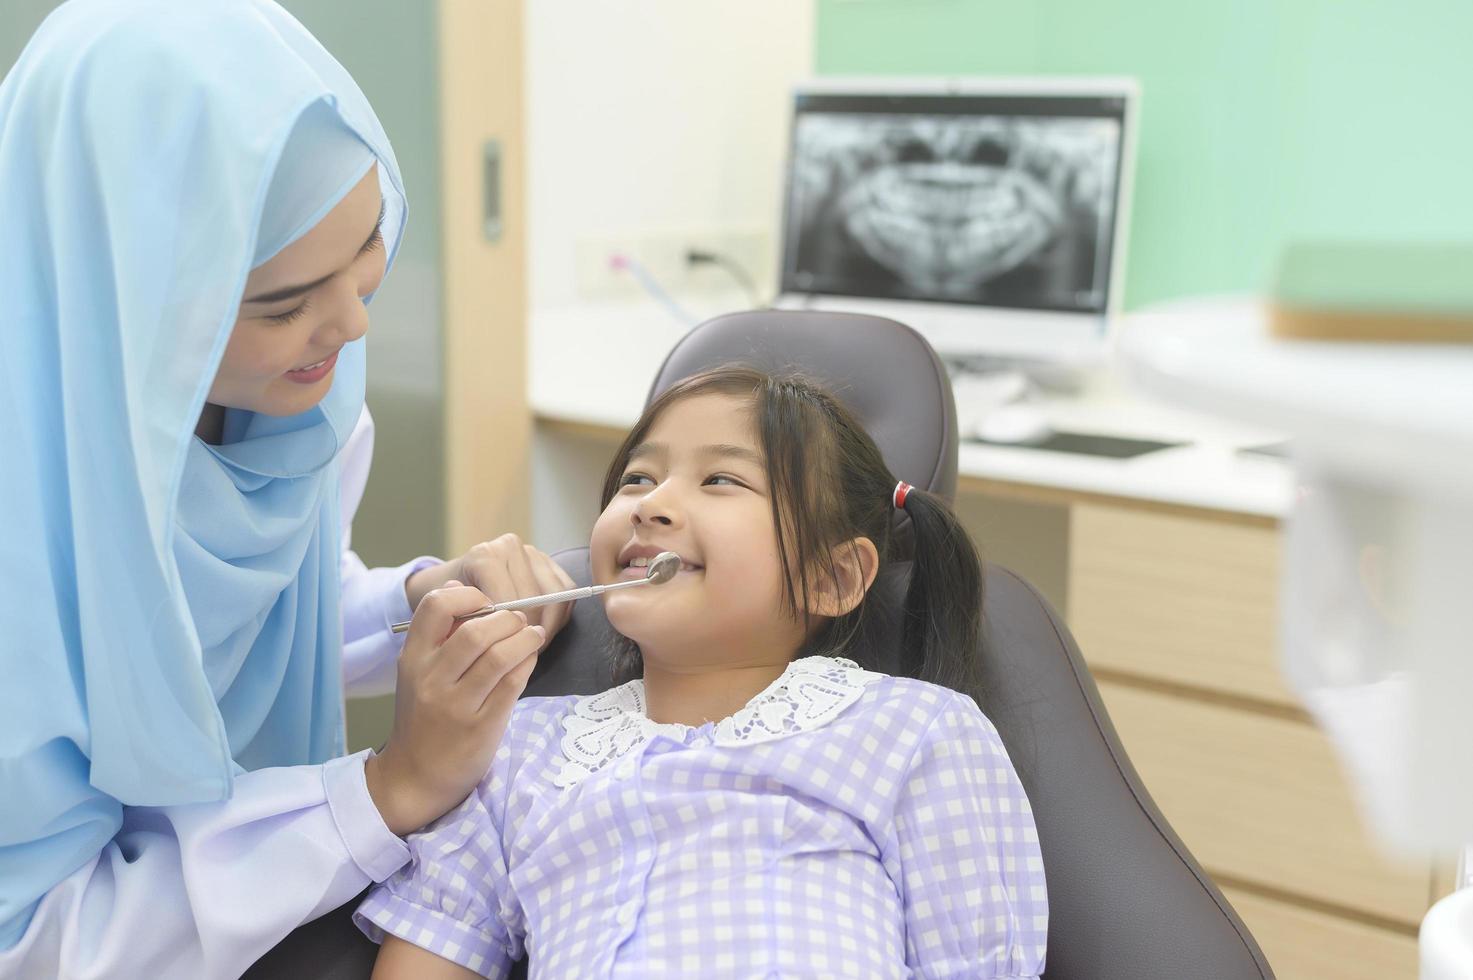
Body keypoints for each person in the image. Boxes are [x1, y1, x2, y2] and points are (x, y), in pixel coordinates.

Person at [0, 2, 573, 976]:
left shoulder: (295, 402)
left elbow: (273, 613)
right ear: (126, 299)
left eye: (367, 257)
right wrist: (389, 786)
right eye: (283, 301)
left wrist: (417, 602)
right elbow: (41, 940)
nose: (349, 325)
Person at [356, 367, 1048, 979]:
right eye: (636, 478)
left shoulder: (914, 733)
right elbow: (436, 946)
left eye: (720, 479)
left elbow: (978, 962)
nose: (650, 504)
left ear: (832, 576)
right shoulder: (513, 750)